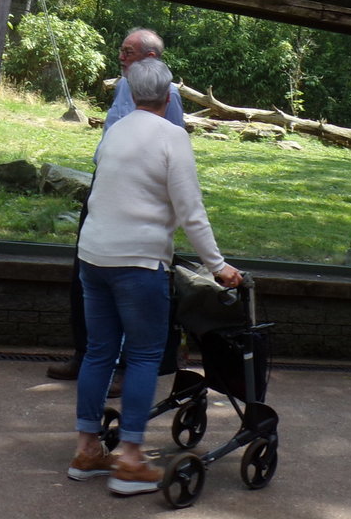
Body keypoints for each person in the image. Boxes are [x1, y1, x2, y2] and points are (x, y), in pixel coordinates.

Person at [66, 57, 242, 495]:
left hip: (92, 257)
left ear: (130, 90)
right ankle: (129, 461)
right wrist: (218, 267)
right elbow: (191, 213)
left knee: (98, 353)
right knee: (144, 356)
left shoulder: (114, 133)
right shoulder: (173, 136)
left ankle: (87, 450)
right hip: (138, 262)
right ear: (169, 97)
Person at [47, 28, 185, 382]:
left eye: (128, 52)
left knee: (129, 279)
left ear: (150, 58)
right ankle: (85, 355)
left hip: (139, 194)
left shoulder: (167, 95)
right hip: (104, 185)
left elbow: (174, 154)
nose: (121, 57)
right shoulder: (126, 84)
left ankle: (127, 368)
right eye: (121, 51)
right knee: (84, 268)